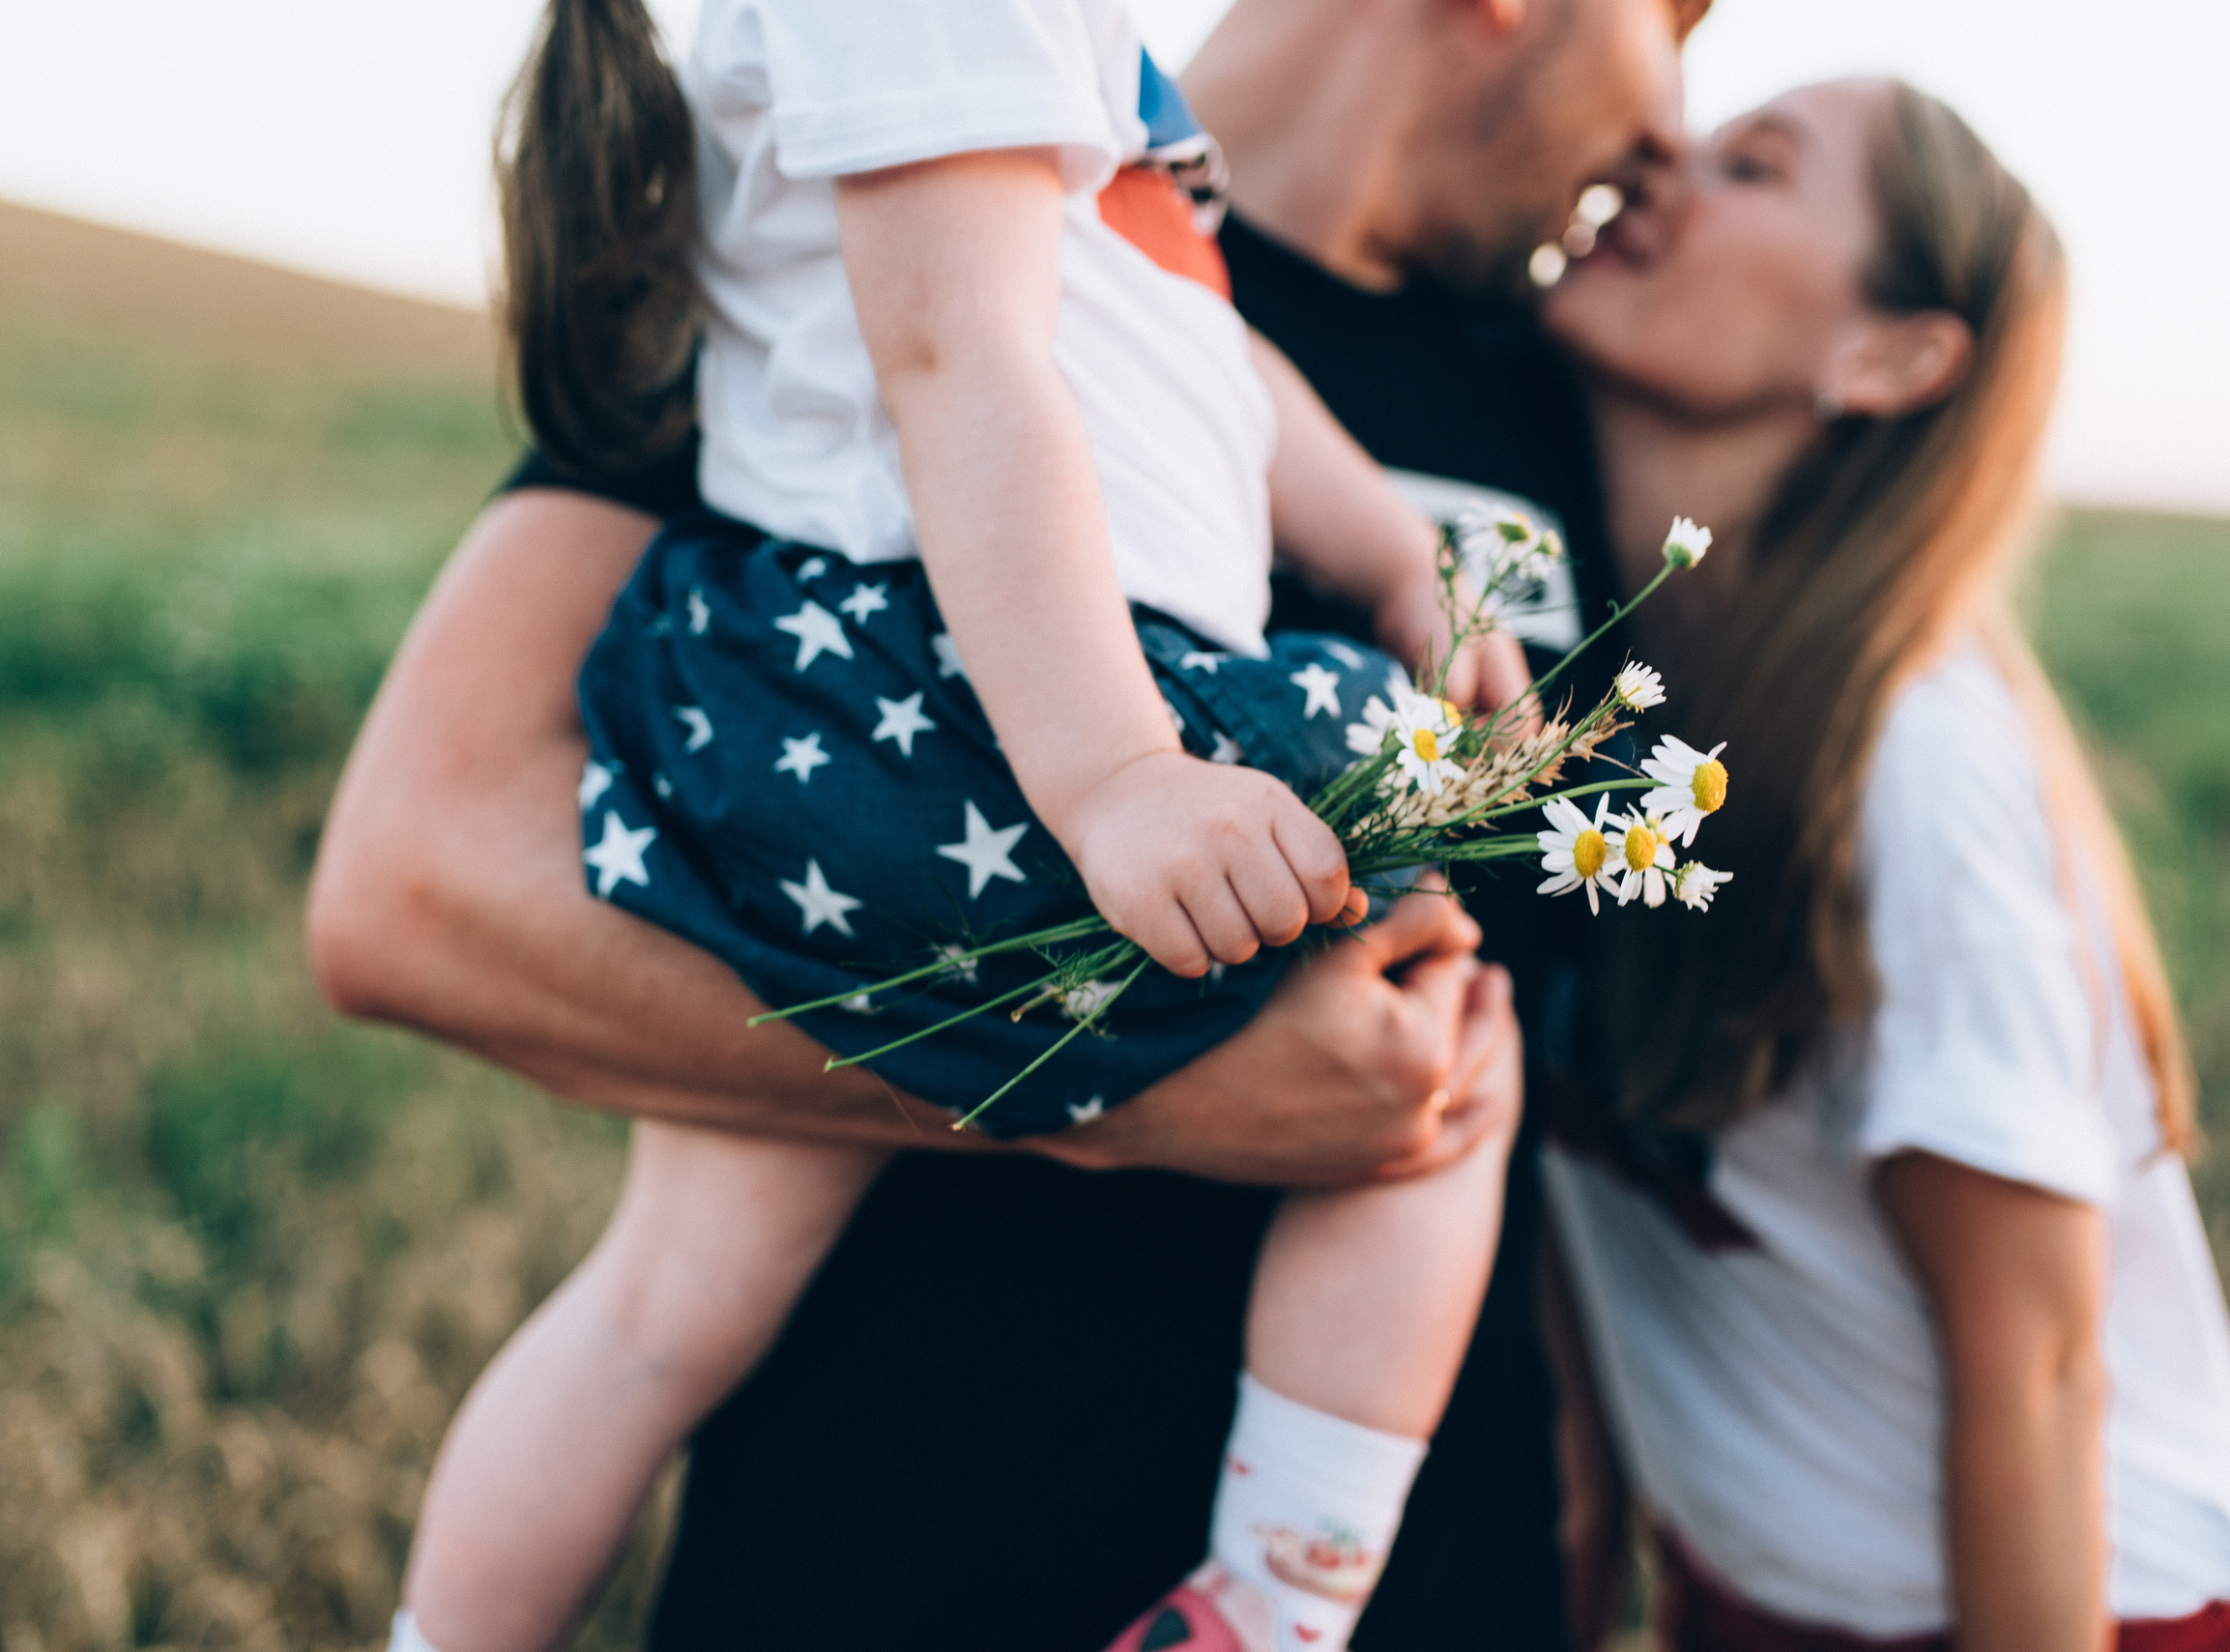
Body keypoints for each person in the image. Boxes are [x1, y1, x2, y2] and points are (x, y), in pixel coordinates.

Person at [307, 1, 1703, 1643]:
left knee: (660, 1308)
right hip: (949, 689)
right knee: (1428, 968)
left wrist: (1397, 552)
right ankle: (1272, 1593)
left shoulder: (1107, 112)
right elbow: (959, 353)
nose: (1680, 110)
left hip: (879, 707)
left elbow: (1202, 357)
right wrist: (1119, 790)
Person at [1533, 80, 2230, 1651]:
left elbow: (2034, 1371)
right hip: (1764, 1604)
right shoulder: (1558, 697)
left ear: (1890, 357)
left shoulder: (1906, 762)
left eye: (1751, 165)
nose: (1659, 166)